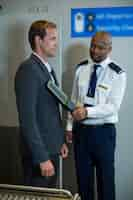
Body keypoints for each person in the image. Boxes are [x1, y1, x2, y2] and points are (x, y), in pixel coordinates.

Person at [66, 31, 126, 200]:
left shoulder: (118, 74)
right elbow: (73, 100)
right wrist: (69, 127)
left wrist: (87, 112)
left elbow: (113, 107)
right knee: (83, 183)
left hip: (104, 133)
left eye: (100, 47)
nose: (94, 50)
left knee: (106, 183)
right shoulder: (81, 68)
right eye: (92, 46)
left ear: (109, 49)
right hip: (81, 133)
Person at [15, 20, 68, 187]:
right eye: (52, 39)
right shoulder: (28, 69)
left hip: (51, 148)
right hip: (39, 155)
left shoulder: (47, 69)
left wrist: (59, 141)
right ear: (38, 40)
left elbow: (51, 110)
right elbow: (27, 120)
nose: (56, 44)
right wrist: (42, 157)